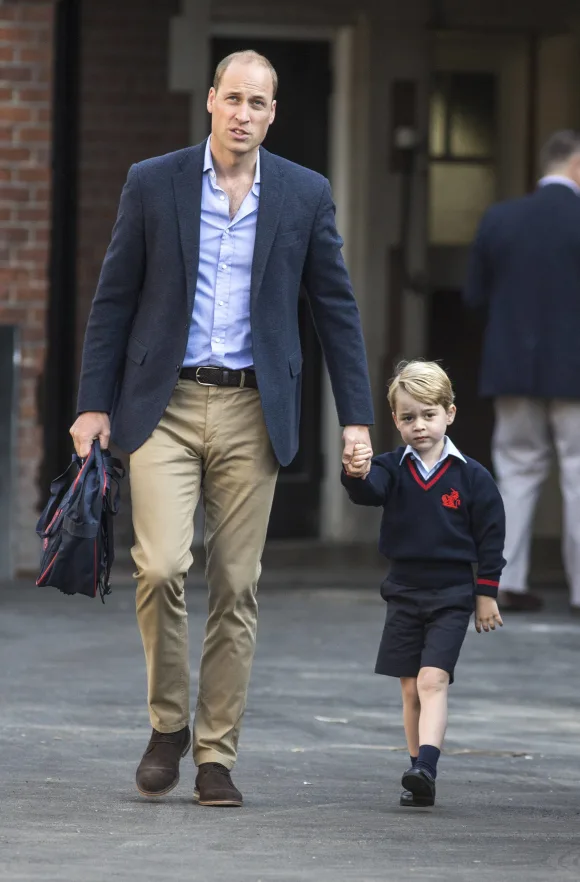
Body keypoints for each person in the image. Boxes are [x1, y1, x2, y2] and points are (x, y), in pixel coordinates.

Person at [70, 50, 374, 807]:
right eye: (232, 98)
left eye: (258, 104)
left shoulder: (305, 194)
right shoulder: (154, 181)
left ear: (274, 114)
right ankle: (168, 723)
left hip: (252, 411)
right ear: (210, 100)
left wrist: (359, 419)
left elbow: (336, 311)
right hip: (163, 404)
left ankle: (214, 755)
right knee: (163, 567)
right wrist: (91, 403)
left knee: (236, 585)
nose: (244, 114)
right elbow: (114, 299)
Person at [341, 360, 505, 808]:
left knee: (434, 680)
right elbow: (369, 489)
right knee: (411, 687)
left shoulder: (471, 476)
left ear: (449, 413)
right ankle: (418, 773)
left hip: (452, 594)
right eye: (408, 417)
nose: (419, 426)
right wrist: (356, 471)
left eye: (429, 415)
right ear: (395, 420)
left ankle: (426, 766)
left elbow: (491, 536)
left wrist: (485, 593)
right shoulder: (392, 467)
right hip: (404, 591)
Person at [464, 130, 580, 614]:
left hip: (511, 368)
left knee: (515, 472)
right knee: (578, 474)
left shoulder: (500, 218)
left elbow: (473, 296)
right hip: (574, 370)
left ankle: (506, 583)